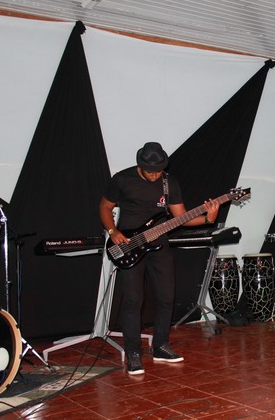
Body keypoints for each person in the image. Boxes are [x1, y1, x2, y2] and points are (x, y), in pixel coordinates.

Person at [99, 142, 220, 375]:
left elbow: (181, 218)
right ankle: (133, 353)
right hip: (128, 245)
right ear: (140, 165)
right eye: (150, 171)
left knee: (166, 297)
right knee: (133, 300)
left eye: (158, 170)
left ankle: (161, 346)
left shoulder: (169, 183)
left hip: (159, 246)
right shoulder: (122, 179)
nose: (155, 175)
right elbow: (104, 207)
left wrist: (208, 218)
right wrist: (113, 231)